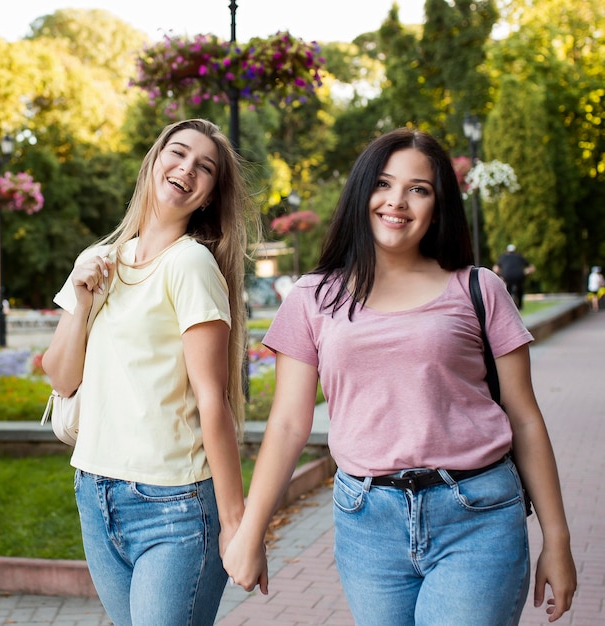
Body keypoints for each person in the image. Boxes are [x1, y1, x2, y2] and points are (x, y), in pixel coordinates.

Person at [223, 128, 576, 625]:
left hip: (476, 516)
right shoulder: (313, 297)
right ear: (362, 192)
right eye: (384, 184)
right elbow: (286, 424)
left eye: (419, 189)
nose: (397, 201)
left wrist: (556, 540)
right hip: (366, 525)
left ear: (438, 205)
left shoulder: (479, 289)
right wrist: (251, 532)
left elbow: (524, 418)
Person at [42, 119, 259, 626]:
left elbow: (213, 399)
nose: (187, 169)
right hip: (96, 492)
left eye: (204, 167)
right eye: (178, 154)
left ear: (208, 195)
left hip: (174, 506)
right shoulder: (100, 261)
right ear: (153, 161)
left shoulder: (191, 266)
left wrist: (236, 526)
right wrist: (80, 298)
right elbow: (61, 377)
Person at [493, 243, 535, 309]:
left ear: (506, 251)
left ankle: (508, 306)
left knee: (507, 290)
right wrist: (525, 272)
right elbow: (532, 268)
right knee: (520, 289)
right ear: (516, 251)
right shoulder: (519, 257)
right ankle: (520, 306)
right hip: (519, 275)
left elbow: (495, 269)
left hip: (507, 276)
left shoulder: (503, 257)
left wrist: (500, 275)